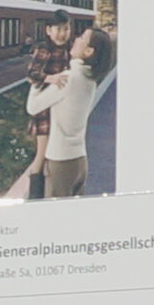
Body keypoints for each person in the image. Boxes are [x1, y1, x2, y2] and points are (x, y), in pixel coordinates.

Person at [34, 25, 103, 200]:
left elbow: (32, 106)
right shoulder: (90, 80)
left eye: (82, 38)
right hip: (79, 161)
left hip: (60, 162)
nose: (76, 39)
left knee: (55, 221)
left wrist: (40, 78)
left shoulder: (68, 78)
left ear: (88, 51)